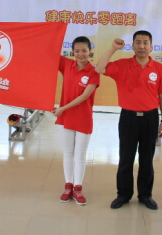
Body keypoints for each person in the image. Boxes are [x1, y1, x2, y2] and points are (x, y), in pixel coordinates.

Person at [95, 31, 162, 210]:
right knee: (126, 158)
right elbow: (99, 68)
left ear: (151, 46)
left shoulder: (158, 68)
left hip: (150, 118)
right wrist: (113, 48)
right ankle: (123, 194)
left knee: (147, 159)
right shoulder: (122, 65)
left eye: (145, 43)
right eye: (138, 42)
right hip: (128, 117)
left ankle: (145, 195)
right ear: (133, 45)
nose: (142, 46)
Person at [53, 36, 100, 205]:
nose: (80, 54)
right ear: (72, 51)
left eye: (84, 51)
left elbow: (84, 96)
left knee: (80, 154)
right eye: (77, 51)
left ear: (90, 51)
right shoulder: (67, 64)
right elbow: (49, 55)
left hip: (82, 117)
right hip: (65, 117)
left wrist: (62, 109)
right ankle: (68, 187)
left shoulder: (94, 72)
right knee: (68, 153)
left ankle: (78, 189)